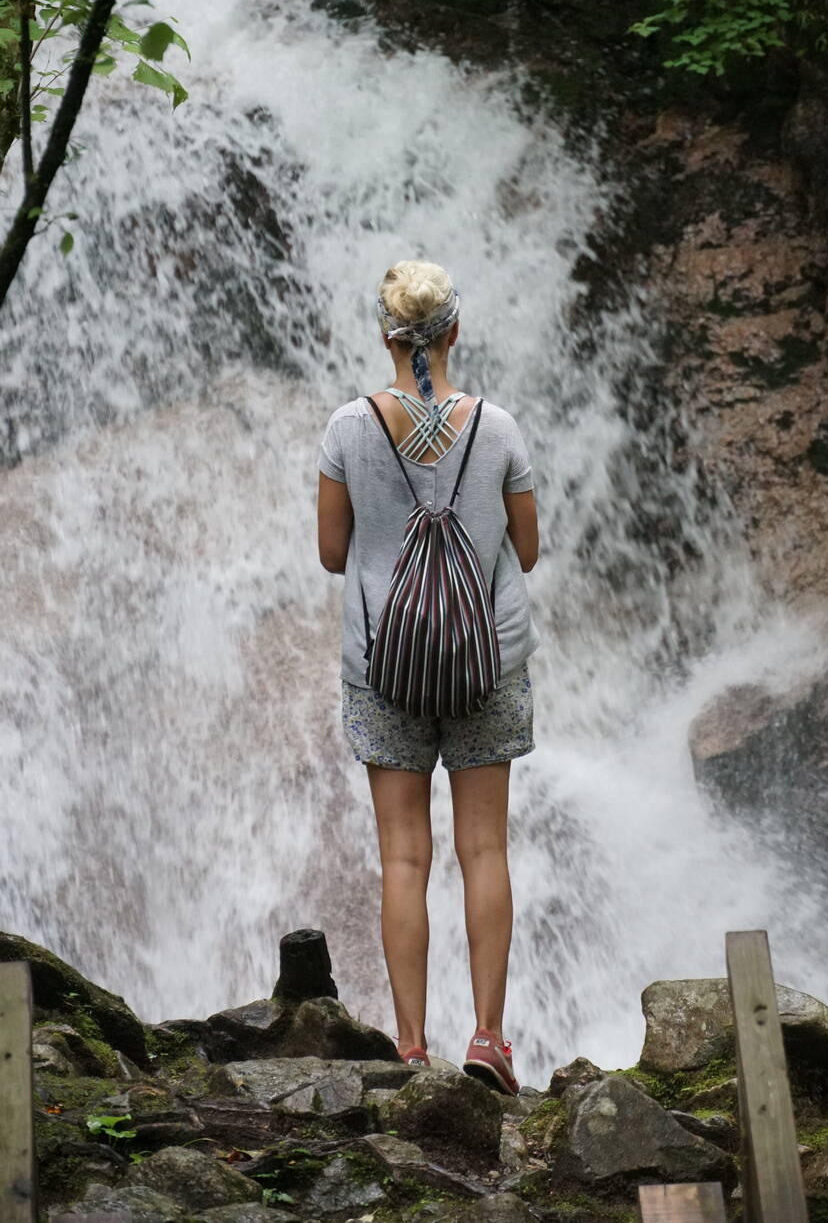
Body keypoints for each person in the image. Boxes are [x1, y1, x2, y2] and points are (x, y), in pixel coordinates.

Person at [316, 259, 539, 1096]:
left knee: (404, 859)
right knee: (484, 848)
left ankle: (410, 1050)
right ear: (453, 332)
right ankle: (489, 1040)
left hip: (384, 667)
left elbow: (333, 554)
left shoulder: (347, 428)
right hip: (489, 664)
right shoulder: (500, 427)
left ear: (386, 335)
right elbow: (529, 549)